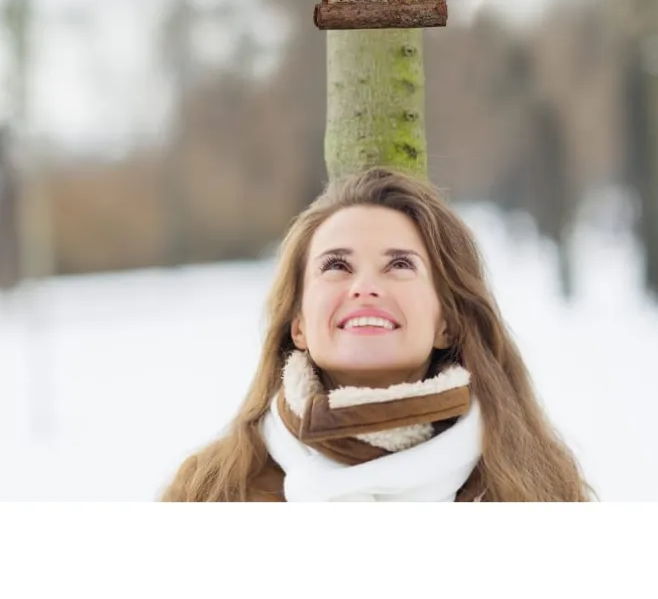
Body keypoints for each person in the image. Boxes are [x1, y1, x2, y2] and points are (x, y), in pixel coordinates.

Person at [162, 167, 592, 502]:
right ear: (299, 324)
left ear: (448, 322)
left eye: (399, 265)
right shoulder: (211, 492)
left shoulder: (537, 487)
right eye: (336, 266)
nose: (365, 287)